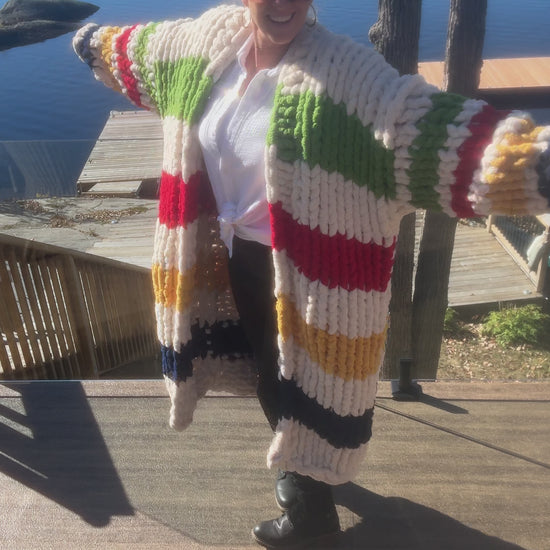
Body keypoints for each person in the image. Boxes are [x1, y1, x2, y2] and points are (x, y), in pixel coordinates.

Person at [73, 1, 550, 547]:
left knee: (302, 386)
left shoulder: (349, 81)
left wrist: (535, 164)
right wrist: (85, 38)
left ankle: (312, 514)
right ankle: (300, 467)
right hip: (233, 260)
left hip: (310, 279)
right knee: (267, 375)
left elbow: (445, 138)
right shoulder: (205, 44)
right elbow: (136, 52)